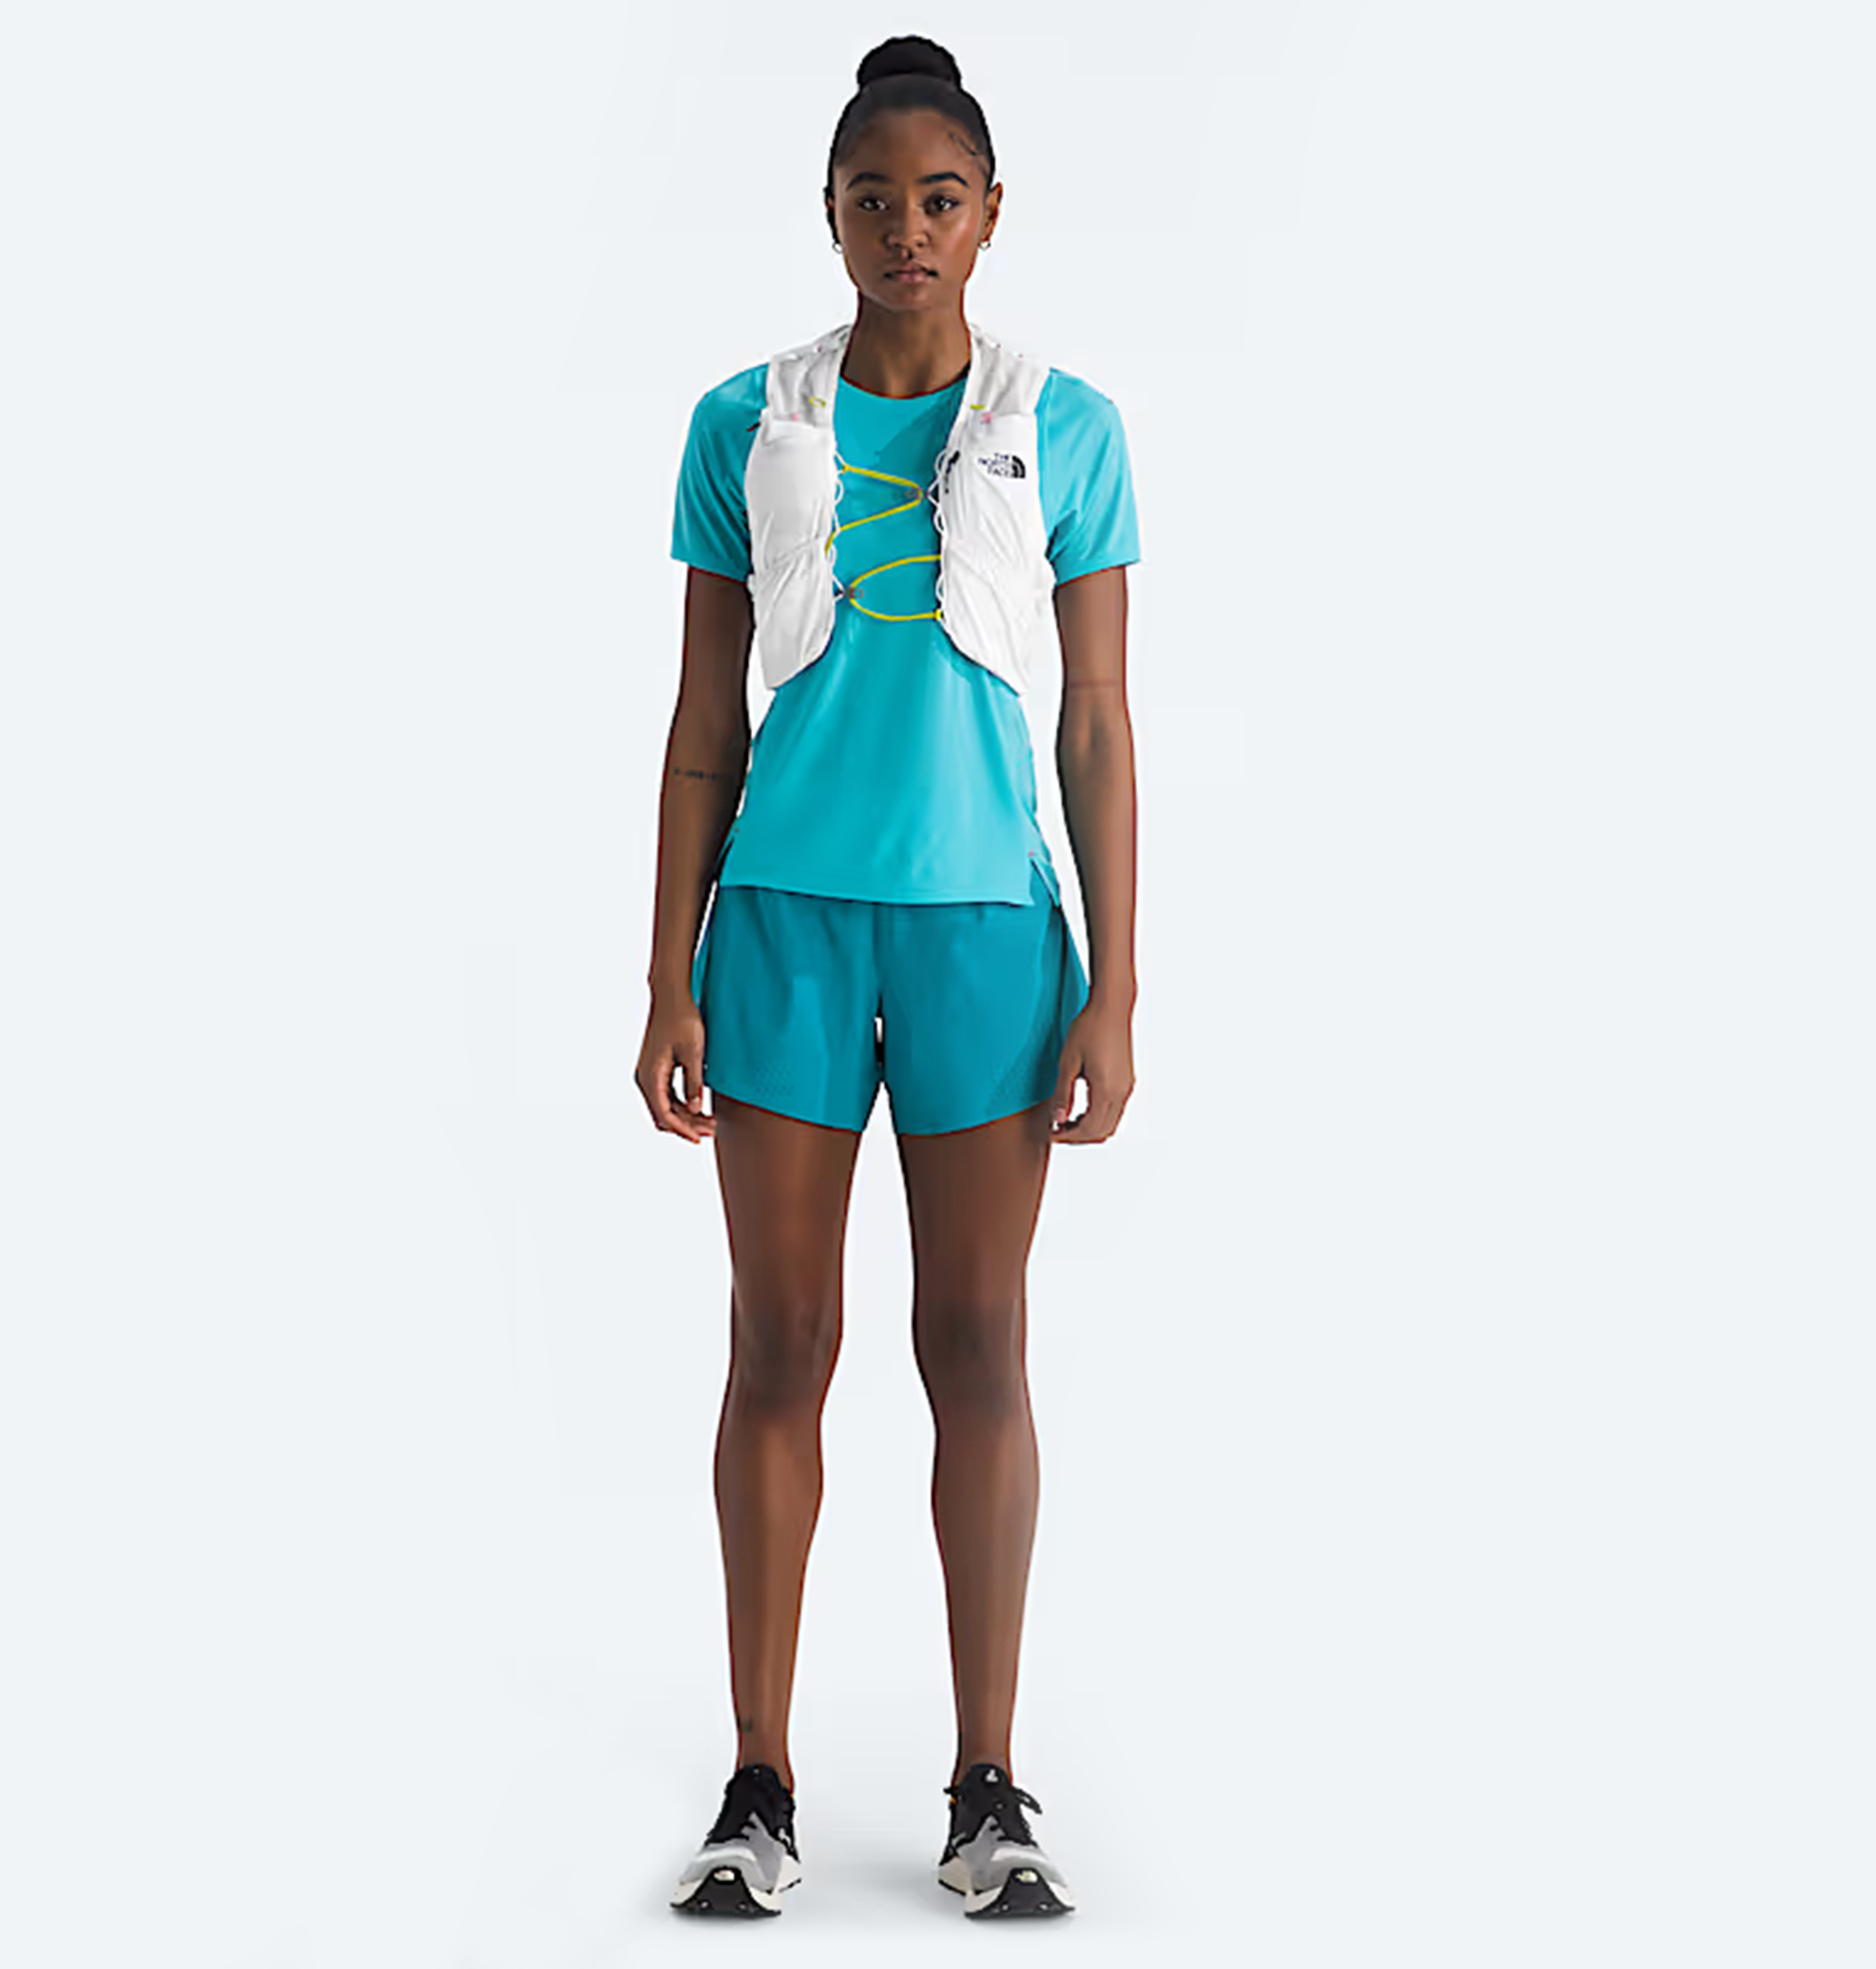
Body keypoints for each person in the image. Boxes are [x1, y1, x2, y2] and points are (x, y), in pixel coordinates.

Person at [636, 33, 1140, 1922]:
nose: (906, 229)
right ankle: (758, 1782)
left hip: (987, 934)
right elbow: (703, 723)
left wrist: (1117, 986)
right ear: (829, 216)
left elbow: (1097, 722)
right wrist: (666, 968)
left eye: (940, 199)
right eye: (874, 200)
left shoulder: (1068, 424)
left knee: (978, 1345)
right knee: (780, 1346)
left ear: (991, 215)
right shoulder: (740, 421)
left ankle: (986, 1785)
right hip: (781, 921)